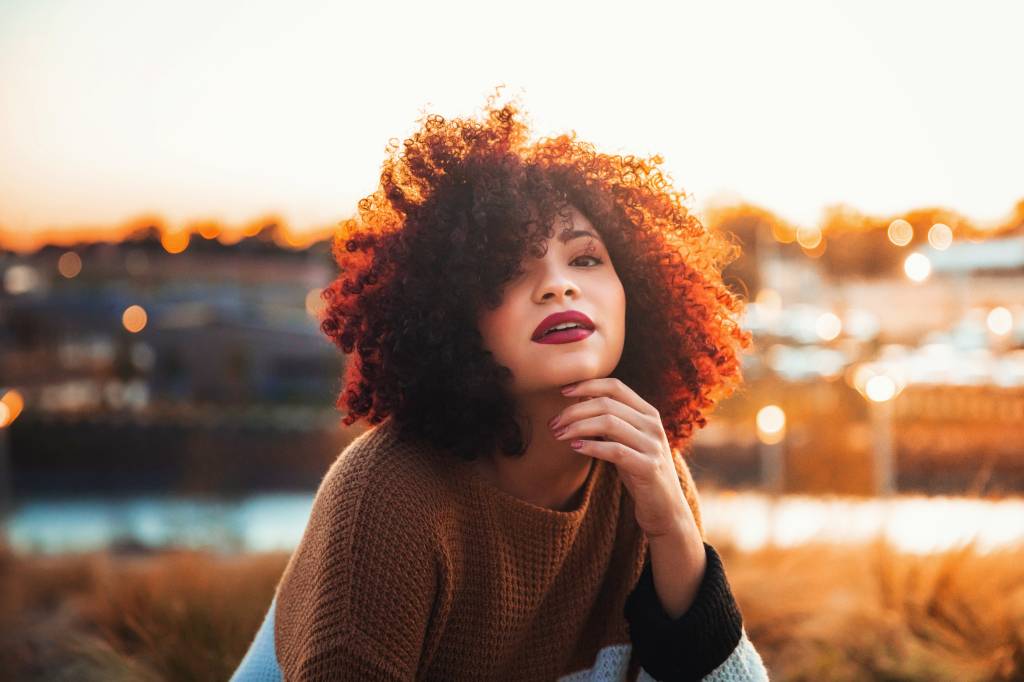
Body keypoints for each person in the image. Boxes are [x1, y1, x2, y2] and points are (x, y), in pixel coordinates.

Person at [231, 87, 769, 681]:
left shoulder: (645, 471)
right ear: (450, 315)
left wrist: (672, 530)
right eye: (509, 270)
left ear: (635, 291)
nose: (558, 286)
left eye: (586, 259)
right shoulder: (387, 499)